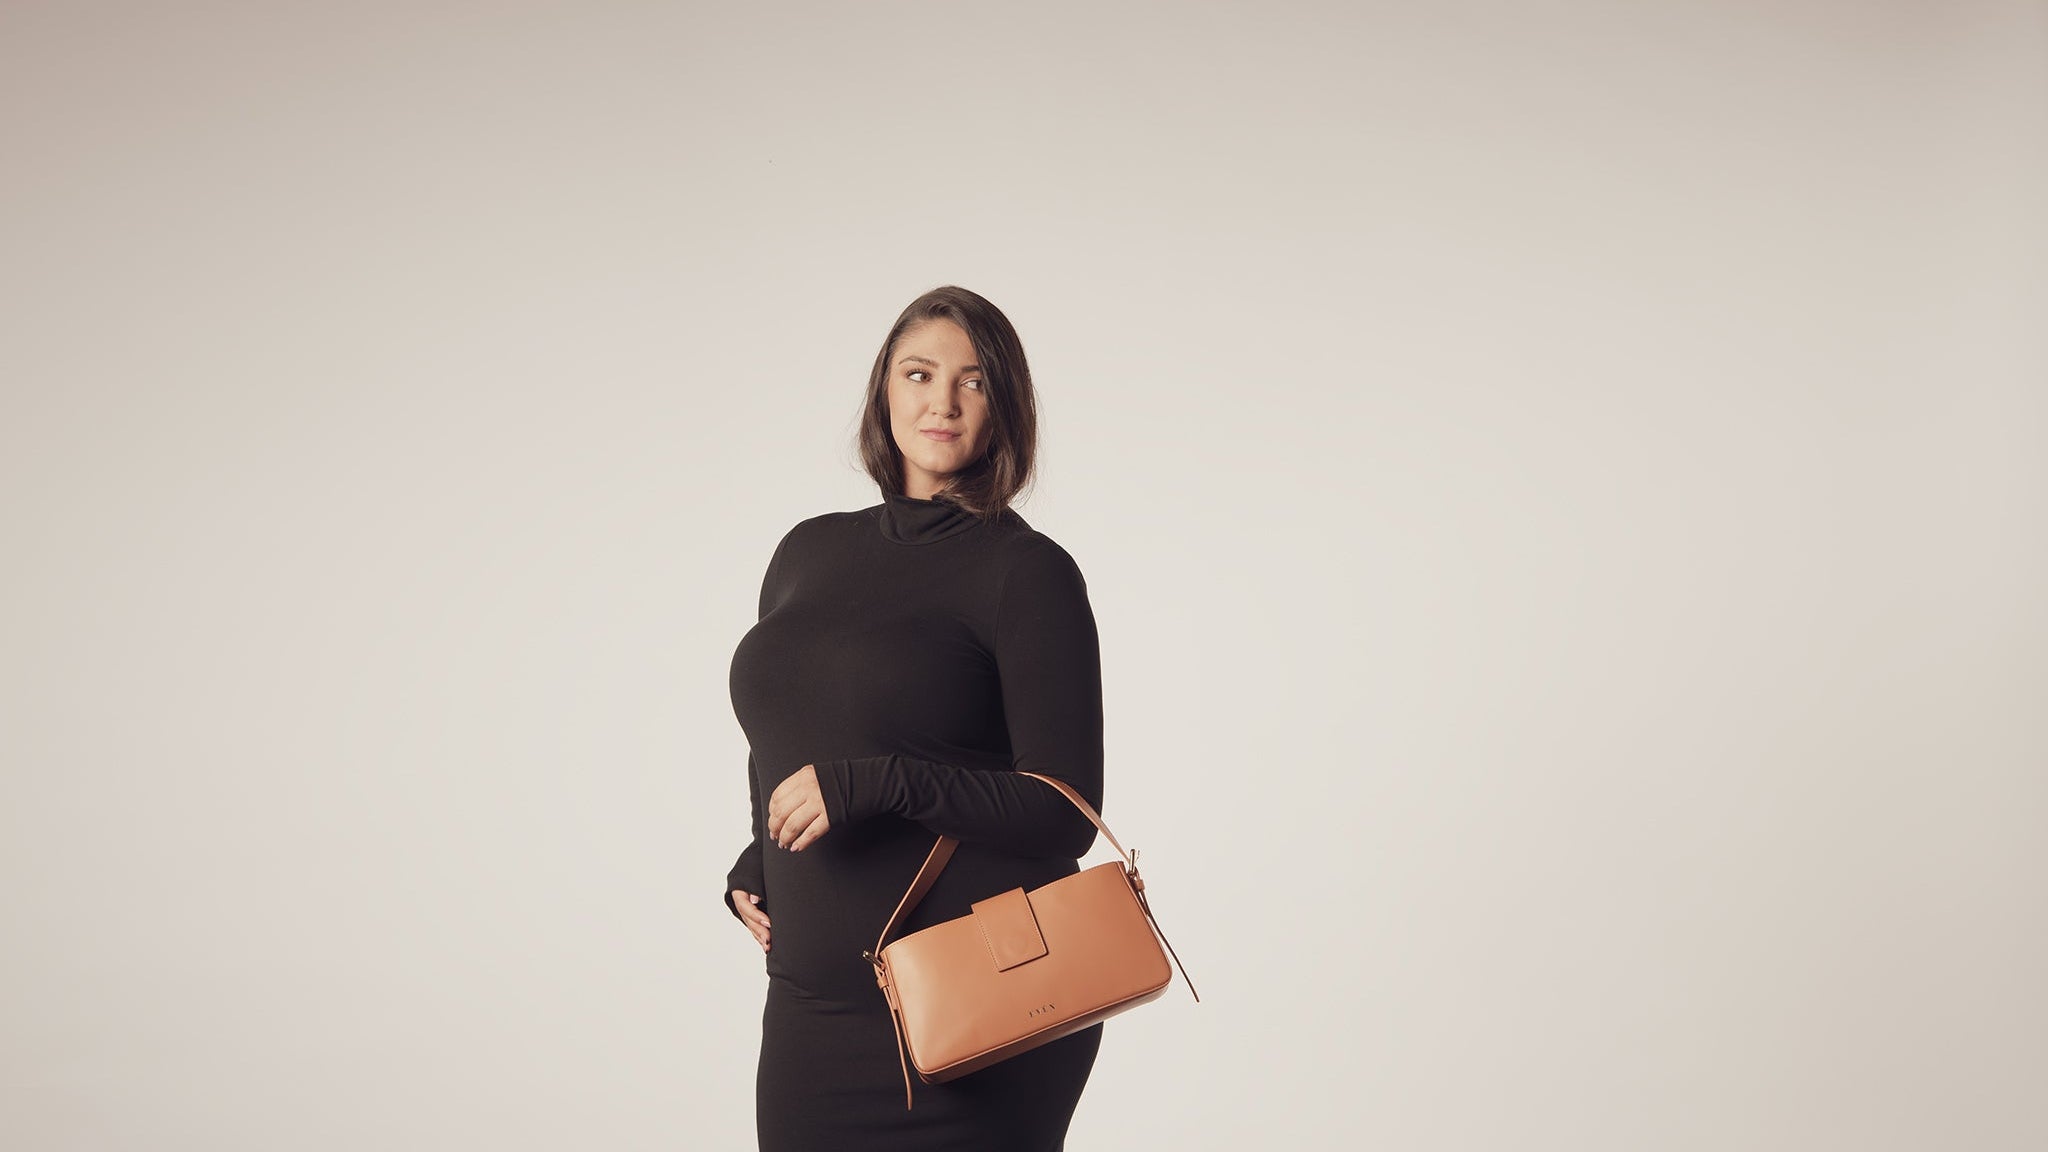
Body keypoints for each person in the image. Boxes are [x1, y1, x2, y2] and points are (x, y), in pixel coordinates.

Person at [722, 285, 1107, 1149]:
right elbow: (783, 737)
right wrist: (762, 850)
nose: (942, 401)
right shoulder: (806, 553)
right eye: (919, 373)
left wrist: (875, 786)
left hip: (977, 1010)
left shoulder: (1026, 572)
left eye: (973, 382)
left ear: (1004, 407)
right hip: (813, 1011)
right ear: (884, 391)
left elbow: (1065, 810)